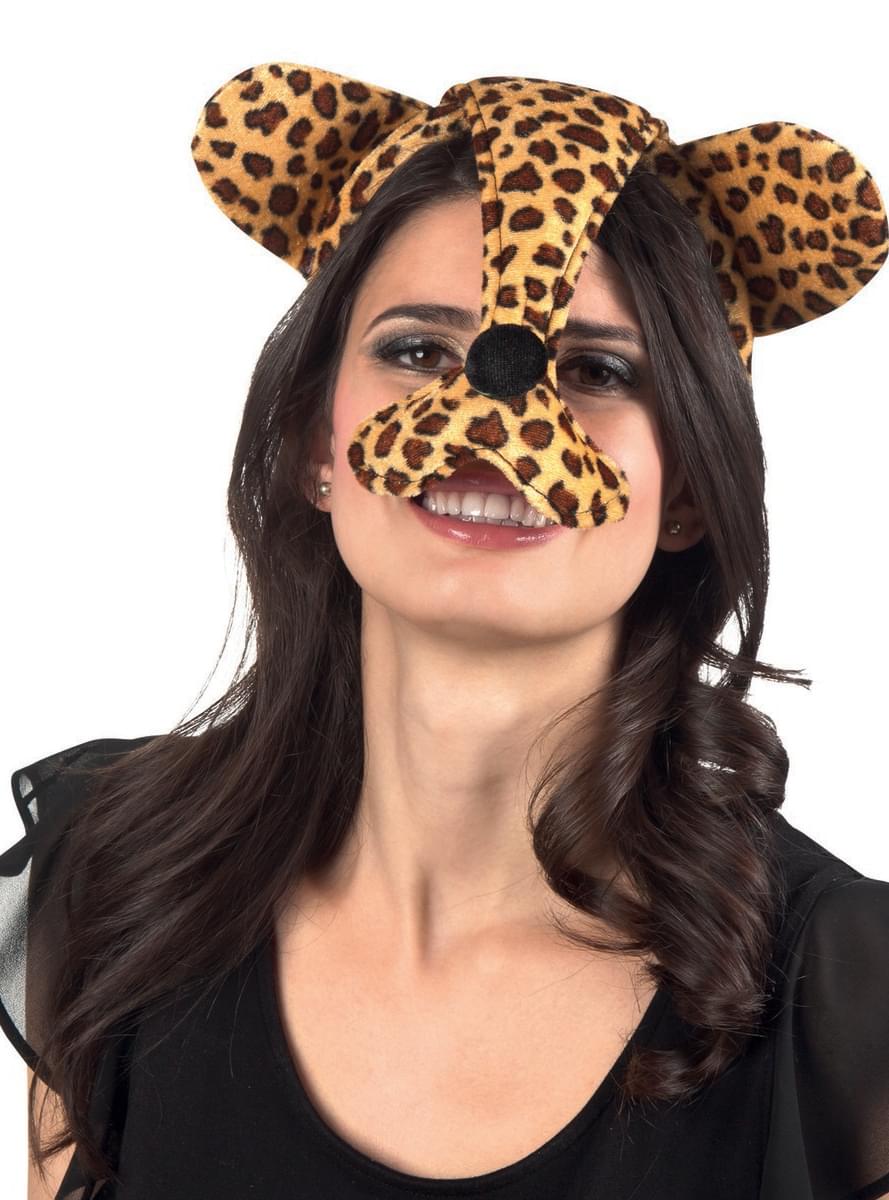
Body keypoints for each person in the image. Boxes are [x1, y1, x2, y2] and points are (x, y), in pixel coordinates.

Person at [2, 65, 888, 1200]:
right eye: (419, 351)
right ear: (315, 444)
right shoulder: (122, 879)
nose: (494, 421)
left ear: (685, 490)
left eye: (595, 370)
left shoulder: (847, 1001)